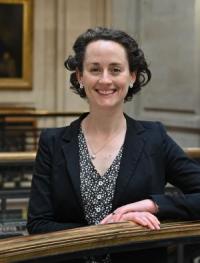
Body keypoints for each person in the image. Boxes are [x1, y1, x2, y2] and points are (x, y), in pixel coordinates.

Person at [27, 27, 200, 262]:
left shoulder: (154, 138)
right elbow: (38, 223)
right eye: (95, 69)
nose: (105, 79)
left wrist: (153, 206)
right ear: (80, 76)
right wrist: (109, 231)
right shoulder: (53, 142)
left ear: (131, 76)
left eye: (115, 69)